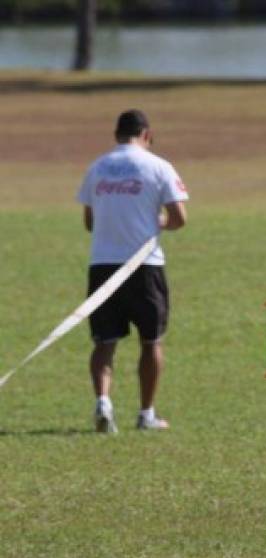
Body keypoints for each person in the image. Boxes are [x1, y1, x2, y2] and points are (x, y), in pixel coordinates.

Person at [77, 109, 189, 433]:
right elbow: (179, 218)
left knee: (104, 342)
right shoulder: (158, 166)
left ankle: (103, 402)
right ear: (148, 135)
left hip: (102, 265)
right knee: (151, 341)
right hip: (144, 266)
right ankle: (146, 413)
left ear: (116, 135)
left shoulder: (97, 167)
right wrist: (159, 223)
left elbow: (89, 222)